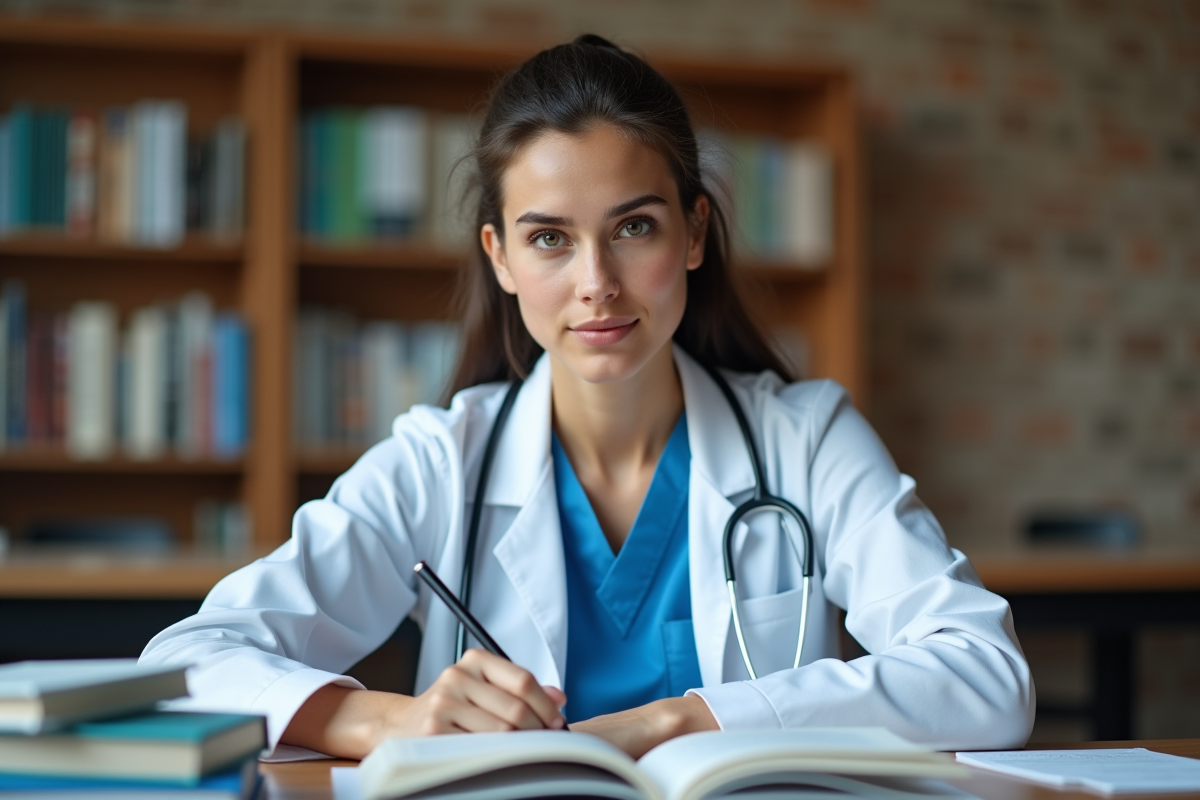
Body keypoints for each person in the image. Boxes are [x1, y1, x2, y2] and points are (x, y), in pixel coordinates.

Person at [140, 34, 1034, 760]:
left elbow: (986, 677)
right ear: (500, 257)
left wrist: (679, 720)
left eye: (633, 227)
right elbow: (186, 663)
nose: (596, 283)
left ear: (693, 233)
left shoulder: (806, 440)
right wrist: (385, 720)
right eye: (550, 239)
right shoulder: (440, 461)